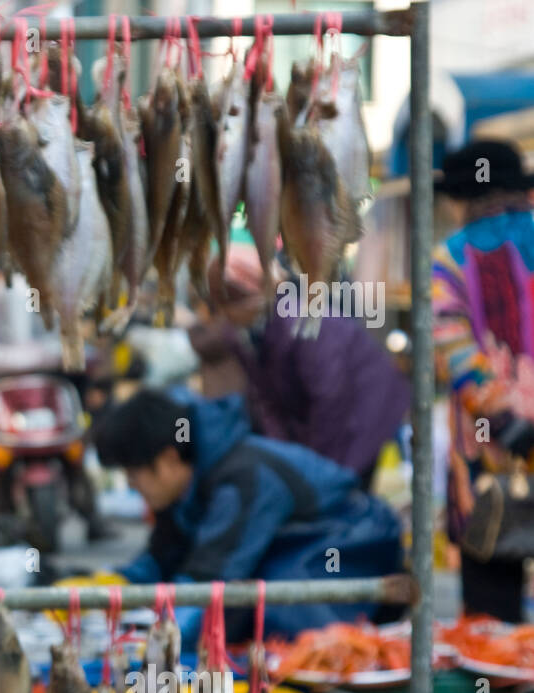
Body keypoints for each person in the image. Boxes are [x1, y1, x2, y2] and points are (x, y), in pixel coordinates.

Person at [95, 388, 404, 654]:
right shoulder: (187, 487)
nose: (133, 487)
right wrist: (113, 584)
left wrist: (159, 648)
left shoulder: (245, 480)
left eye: (133, 475)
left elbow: (210, 582)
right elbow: (165, 556)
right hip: (294, 552)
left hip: (353, 546)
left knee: (262, 611)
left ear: (167, 459)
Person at [189, 246, 410, 491]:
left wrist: (313, 468)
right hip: (324, 412)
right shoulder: (242, 333)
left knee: (343, 488)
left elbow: (329, 403)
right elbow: (266, 399)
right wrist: (286, 459)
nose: (224, 317)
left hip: (365, 404)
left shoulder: (303, 326)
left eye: (227, 308)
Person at [432, 140, 534, 622]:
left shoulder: (448, 260)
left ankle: (497, 690)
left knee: (493, 630)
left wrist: (507, 411)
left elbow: (456, 353)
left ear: (460, 199)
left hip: (488, 462)